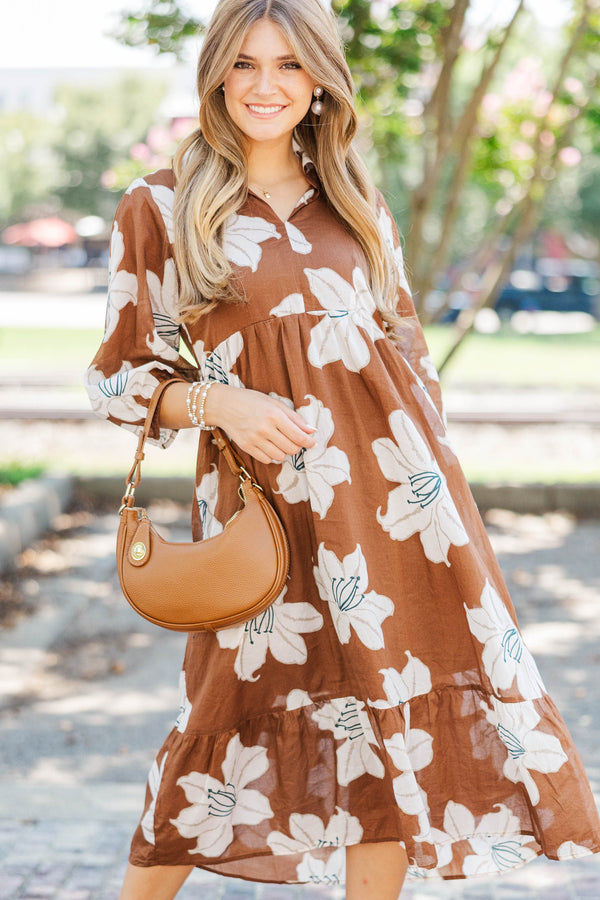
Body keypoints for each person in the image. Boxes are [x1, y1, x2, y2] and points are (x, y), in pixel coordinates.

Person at [85, 1, 600, 897]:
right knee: (218, 715)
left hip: (399, 507)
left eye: (288, 66)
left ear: (320, 78)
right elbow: (114, 377)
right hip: (266, 510)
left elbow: (404, 349)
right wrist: (220, 403)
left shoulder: (356, 199)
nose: (265, 86)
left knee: (387, 720)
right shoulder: (162, 205)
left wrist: (435, 488)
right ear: (214, 74)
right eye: (244, 65)